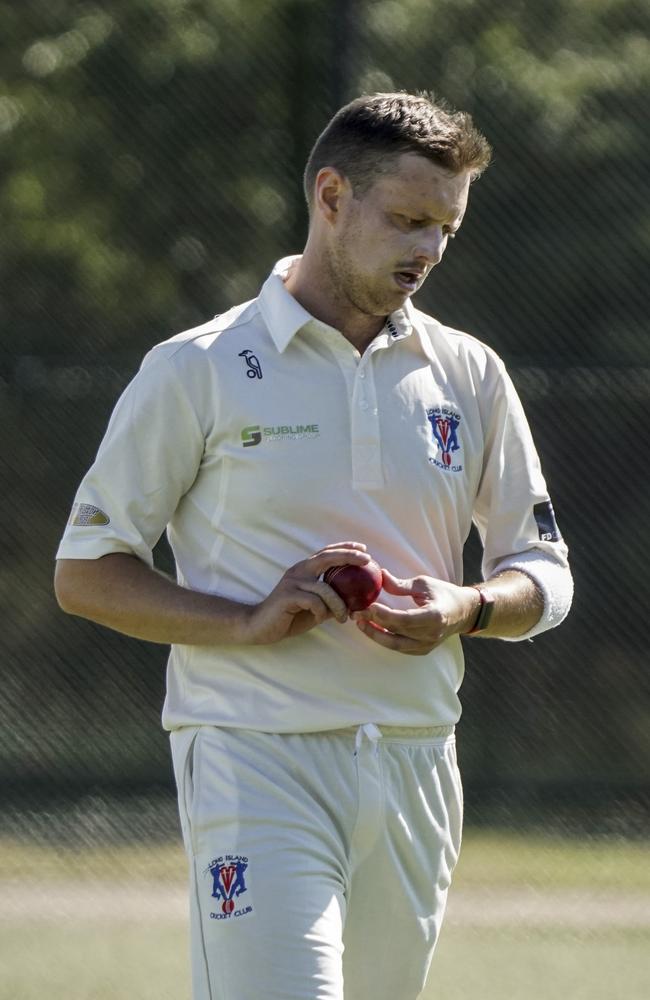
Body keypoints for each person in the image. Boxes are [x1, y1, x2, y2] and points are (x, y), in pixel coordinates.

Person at [54, 92, 573, 1000]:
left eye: (446, 227)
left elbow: (546, 573)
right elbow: (86, 575)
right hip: (256, 758)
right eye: (407, 219)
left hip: (418, 761)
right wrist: (250, 620)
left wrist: (468, 608)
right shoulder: (197, 367)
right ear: (331, 196)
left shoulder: (470, 373)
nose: (428, 250)